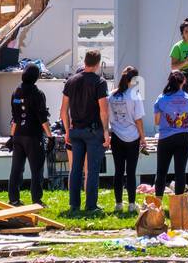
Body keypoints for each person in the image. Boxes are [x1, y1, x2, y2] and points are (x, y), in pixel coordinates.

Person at [61, 49, 110, 212]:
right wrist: (106, 131)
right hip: (93, 131)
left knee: (75, 168)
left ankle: (74, 205)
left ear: (85, 62)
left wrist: (67, 130)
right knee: (92, 170)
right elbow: (103, 110)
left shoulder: (71, 81)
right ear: (97, 64)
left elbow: (63, 110)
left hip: (75, 130)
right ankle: (91, 205)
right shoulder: (100, 82)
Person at [8, 63, 51, 206]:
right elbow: (42, 118)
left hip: (18, 135)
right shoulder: (38, 94)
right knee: (37, 169)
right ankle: (36, 199)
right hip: (33, 135)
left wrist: (11, 136)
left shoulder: (16, 92)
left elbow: (14, 117)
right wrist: (50, 136)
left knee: (16, 168)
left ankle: (13, 198)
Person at [107, 65, 148, 213]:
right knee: (131, 171)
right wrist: (143, 138)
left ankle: (118, 203)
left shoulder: (111, 96)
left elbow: (109, 118)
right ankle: (131, 204)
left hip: (116, 136)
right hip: (132, 137)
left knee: (118, 171)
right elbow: (138, 120)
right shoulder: (135, 95)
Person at [153, 70, 188, 195]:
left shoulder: (162, 98)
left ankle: (158, 203)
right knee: (180, 171)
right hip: (184, 137)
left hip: (166, 138)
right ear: (184, 81)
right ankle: (179, 203)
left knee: (161, 171)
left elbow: (157, 121)